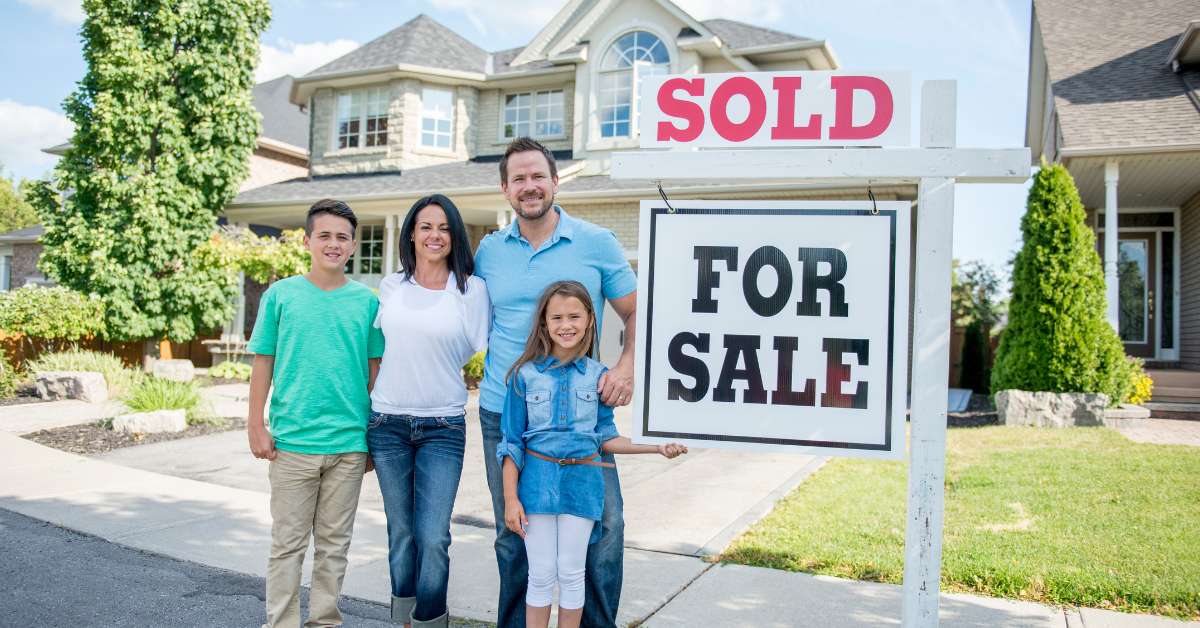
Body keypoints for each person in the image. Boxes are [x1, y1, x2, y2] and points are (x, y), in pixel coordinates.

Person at [474, 137, 639, 628]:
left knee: (605, 528)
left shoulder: (597, 242)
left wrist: (626, 365)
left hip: (581, 415)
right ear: (506, 188)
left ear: (555, 181)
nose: (529, 186)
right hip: (505, 411)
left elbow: (637, 313)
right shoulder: (488, 251)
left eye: (537, 176)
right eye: (519, 179)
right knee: (515, 530)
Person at [496, 281, 686, 628]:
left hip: (583, 484)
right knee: (540, 574)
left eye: (574, 316)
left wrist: (656, 446)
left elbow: (607, 438)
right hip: (536, 485)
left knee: (571, 572)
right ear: (544, 324)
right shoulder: (524, 376)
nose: (565, 325)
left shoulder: (600, 377)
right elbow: (511, 443)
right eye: (556, 317)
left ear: (589, 321)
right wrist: (511, 499)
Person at [246, 198, 385, 628]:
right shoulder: (281, 295)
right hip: (292, 444)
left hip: (347, 445)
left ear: (352, 245)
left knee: (334, 545)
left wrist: (371, 440)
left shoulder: (368, 302)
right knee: (287, 544)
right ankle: (281, 622)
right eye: (324, 235)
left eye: (342, 237)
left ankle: (324, 622)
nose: (333, 243)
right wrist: (255, 424)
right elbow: (263, 361)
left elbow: (375, 375)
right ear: (307, 241)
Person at [368, 194, 490, 628]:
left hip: (443, 425)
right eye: (425, 226)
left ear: (454, 235)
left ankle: (430, 622)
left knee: (433, 537)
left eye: (443, 227)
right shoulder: (391, 287)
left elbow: (472, 347)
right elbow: (376, 354)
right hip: (387, 424)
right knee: (400, 534)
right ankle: (404, 620)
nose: (434, 235)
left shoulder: (471, 290)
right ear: (411, 234)